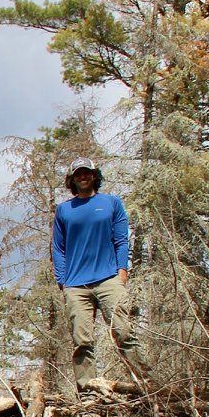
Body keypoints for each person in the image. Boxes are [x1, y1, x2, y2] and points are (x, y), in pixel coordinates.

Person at [51, 159, 142, 394]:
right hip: (75, 285)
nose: (83, 177)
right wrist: (62, 280)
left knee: (124, 332)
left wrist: (122, 271)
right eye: (78, 173)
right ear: (72, 179)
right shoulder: (63, 210)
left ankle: (147, 385)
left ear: (94, 176)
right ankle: (89, 395)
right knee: (82, 342)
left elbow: (121, 240)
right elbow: (58, 248)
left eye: (87, 173)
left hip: (109, 279)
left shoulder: (111, 203)